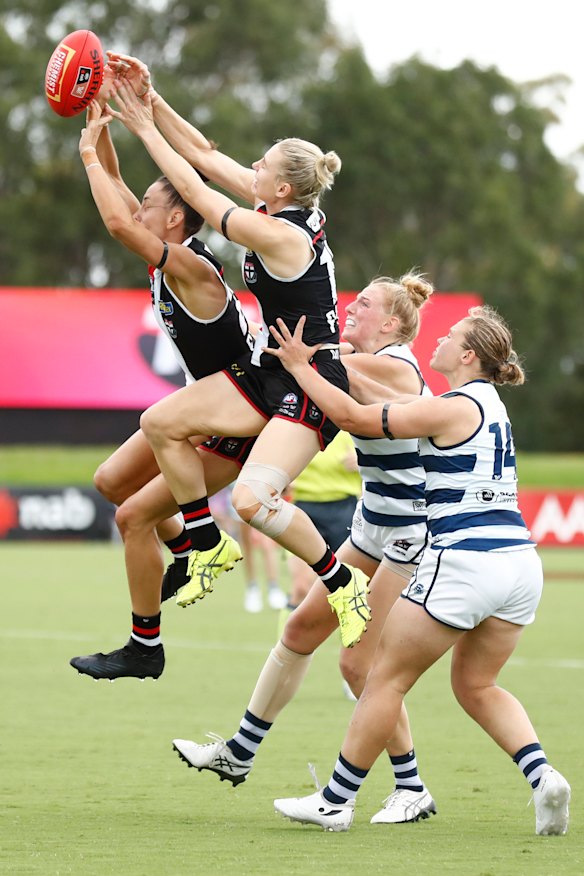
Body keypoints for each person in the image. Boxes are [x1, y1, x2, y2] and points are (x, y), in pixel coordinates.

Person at [270, 306, 571, 836]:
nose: (439, 340)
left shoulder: (452, 406)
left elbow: (357, 420)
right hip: (520, 565)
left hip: (466, 561)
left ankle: (337, 801)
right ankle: (542, 775)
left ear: (468, 354)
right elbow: (390, 402)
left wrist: (300, 368)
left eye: (451, 336)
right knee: (477, 685)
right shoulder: (488, 404)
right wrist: (339, 361)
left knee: (381, 676)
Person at [101, 77, 371, 648]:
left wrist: (144, 130)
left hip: (310, 378)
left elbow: (199, 195)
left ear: (282, 184)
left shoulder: (279, 234)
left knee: (252, 501)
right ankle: (205, 541)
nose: (252, 165)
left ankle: (342, 583)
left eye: (262, 163)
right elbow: (200, 153)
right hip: (271, 369)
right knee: (160, 422)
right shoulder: (278, 204)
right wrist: (150, 100)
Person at [172, 274, 440, 824]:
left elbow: (335, 397)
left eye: (363, 305)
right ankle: (238, 754)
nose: (350, 309)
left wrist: (295, 363)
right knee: (297, 632)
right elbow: (322, 359)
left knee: (356, 664)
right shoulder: (356, 356)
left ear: (390, 323)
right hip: (371, 528)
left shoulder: (397, 365)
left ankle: (408, 786)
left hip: (412, 533)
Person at [69, 98, 258, 681]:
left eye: (152, 204)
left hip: (232, 426)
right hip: (202, 413)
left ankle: (144, 646)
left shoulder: (196, 271)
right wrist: (96, 122)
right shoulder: (168, 260)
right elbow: (123, 189)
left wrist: (85, 158)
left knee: (131, 518)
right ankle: (186, 548)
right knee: (109, 483)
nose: (141, 207)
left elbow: (118, 221)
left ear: (173, 220)